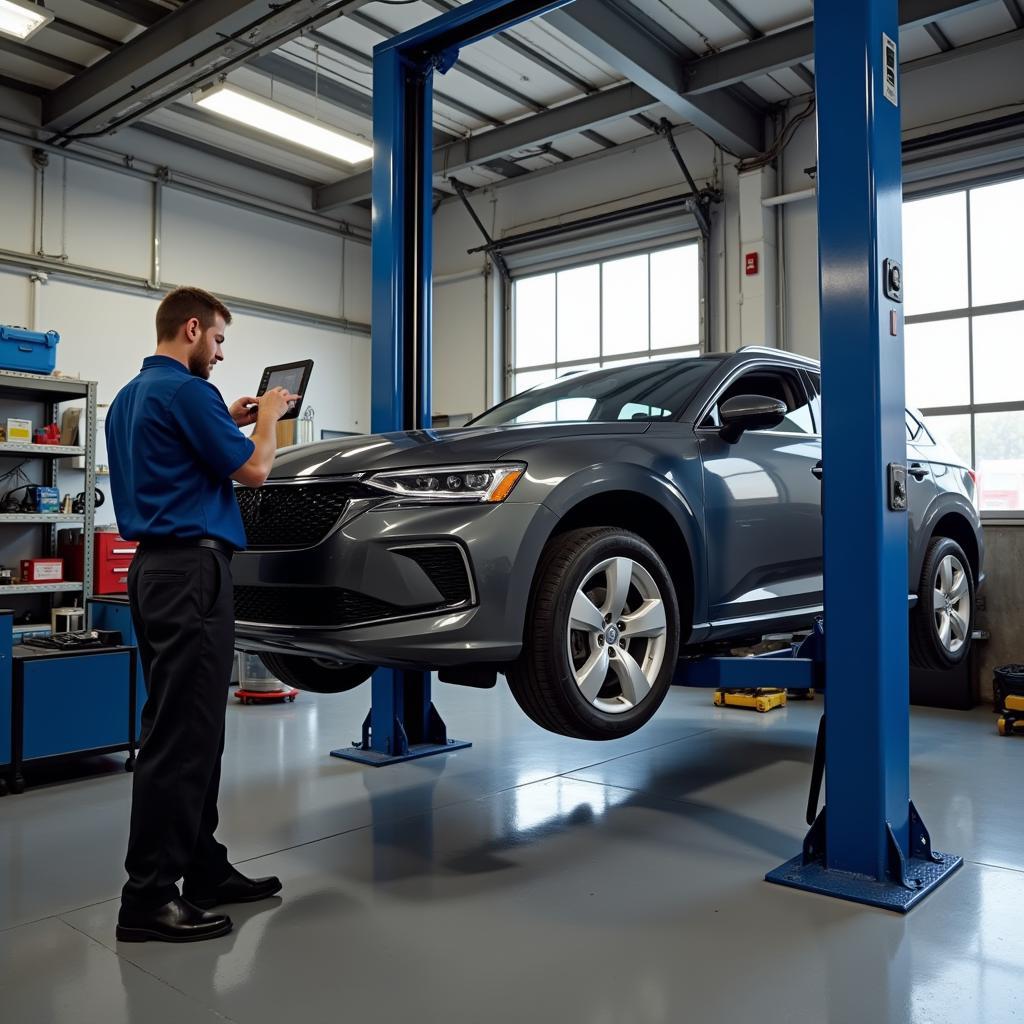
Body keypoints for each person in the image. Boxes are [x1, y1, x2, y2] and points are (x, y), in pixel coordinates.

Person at [106, 286, 299, 943]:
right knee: (182, 735)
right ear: (192, 329)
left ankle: (203, 868)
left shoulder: (132, 396)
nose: (219, 355)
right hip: (191, 571)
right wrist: (270, 416)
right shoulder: (189, 393)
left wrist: (236, 416)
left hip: (156, 569)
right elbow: (255, 471)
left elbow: (192, 456)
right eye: (217, 341)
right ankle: (148, 899)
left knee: (190, 727)